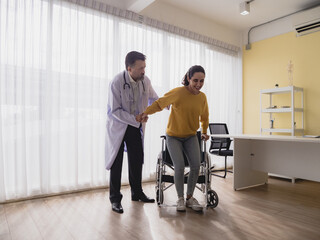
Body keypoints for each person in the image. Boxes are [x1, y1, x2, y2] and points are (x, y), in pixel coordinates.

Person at [138, 65, 209, 212]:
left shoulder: (202, 97)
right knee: (180, 166)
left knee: (196, 165)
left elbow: (204, 117)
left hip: (190, 136)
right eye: (195, 80)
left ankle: (190, 198)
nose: (198, 84)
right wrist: (146, 113)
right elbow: (159, 104)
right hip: (174, 136)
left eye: (201, 81)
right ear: (188, 78)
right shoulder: (178, 92)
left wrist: (204, 131)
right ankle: (180, 199)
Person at [105, 51, 158, 214]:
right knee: (117, 162)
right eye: (141, 68)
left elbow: (154, 98)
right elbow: (114, 110)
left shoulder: (145, 81)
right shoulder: (117, 82)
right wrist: (136, 118)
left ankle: (137, 193)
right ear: (130, 68)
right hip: (119, 126)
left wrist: (167, 103)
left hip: (135, 126)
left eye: (145, 67)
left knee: (136, 159)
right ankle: (115, 199)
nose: (144, 71)